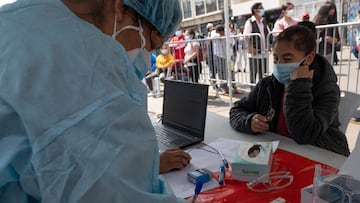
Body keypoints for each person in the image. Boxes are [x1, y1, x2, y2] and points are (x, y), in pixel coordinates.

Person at [0, 0, 191, 202]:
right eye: (151, 44)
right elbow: (116, 192)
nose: (146, 57)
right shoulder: (82, 59)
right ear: (120, 7)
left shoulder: (17, 21)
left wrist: (149, 164)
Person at [229, 25, 350, 156]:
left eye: (287, 59)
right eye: (276, 58)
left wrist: (299, 84)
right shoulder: (268, 84)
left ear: (309, 58)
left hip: (321, 156)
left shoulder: (326, 89)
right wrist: (249, 121)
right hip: (279, 151)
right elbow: (236, 110)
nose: (279, 64)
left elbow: (303, 135)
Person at [243, 2, 271, 87]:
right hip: (254, 54)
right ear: (255, 10)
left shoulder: (263, 21)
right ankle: (253, 94)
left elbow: (268, 34)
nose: (262, 9)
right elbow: (246, 36)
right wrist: (251, 48)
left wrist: (269, 45)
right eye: (260, 8)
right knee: (253, 75)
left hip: (264, 53)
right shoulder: (250, 22)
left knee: (264, 75)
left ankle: (262, 93)